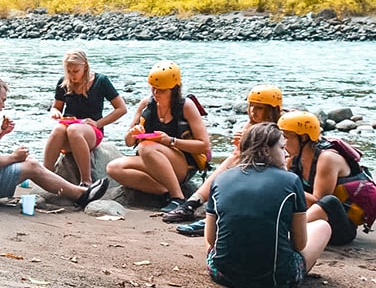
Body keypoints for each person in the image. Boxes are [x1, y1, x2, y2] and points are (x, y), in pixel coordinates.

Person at [0, 76, 108, 208]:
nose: (3, 106)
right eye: (3, 99)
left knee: (27, 164)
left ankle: (66, 191)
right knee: (31, 166)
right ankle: (82, 194)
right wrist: (15, 157)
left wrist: (0, 134)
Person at [205, 122, 331, 288]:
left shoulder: (221, 179)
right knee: (323, 227)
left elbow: (211, 240)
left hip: (222, 275)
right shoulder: (291, 181)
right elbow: (300, 244)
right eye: (281, 148)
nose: (286, 154)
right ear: (266, 151)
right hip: (276, 282)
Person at [167, 85, 283, 236]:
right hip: (250, 174)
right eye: (251, 106)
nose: (253, 111)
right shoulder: (251, 126)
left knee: (235, 159)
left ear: (272, 109)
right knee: (234, 158)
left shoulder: (280, 128)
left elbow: (280, 161)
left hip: (271, 178)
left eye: (259, 108)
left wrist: (245, 147)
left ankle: (205, 212)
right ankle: (194, 203)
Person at [106, 61, 211, 213]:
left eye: (161, 90)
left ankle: (178, 197)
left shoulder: (186, 106)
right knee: (113, 167)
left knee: (145, 147)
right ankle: (164, 191)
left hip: (182, 165)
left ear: (174, 90)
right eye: (153, 89)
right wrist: (132, 133)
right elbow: (128, 143)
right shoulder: (146, 105)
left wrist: (171, 141)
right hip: (152, 161)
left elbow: (204, 145)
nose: (156, 93)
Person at [278, 111, 376, 246]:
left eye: (285, 137)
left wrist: (282, 184)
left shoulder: (327, 159)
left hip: (339, 228)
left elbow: (317, 202)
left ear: (303, 138)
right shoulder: (294, 158)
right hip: (310, 224)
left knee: (329, 202)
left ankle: (284, 234)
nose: (282, 142)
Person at [41, 50, 127, 186]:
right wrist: (55, 112)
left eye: (75, 71)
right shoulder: (63, 83)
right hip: (68, 129)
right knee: (58, 129)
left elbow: (121, 109)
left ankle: (86, 181)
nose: (72, 75)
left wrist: (98, 123)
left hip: (91, 131)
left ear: (85, 67)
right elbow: (56, 107)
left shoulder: (101, 81)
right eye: (68, 71)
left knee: (74, 130)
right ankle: (46, 174)